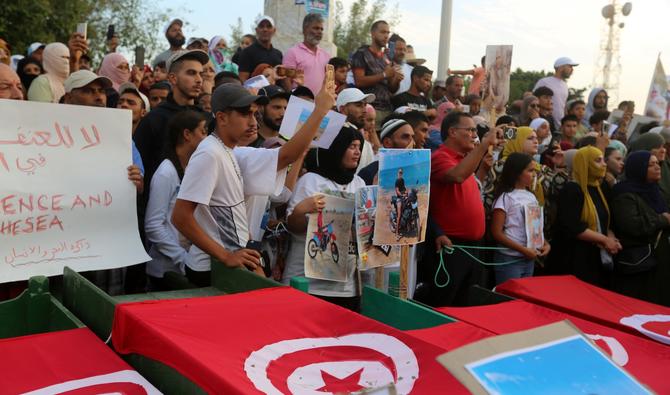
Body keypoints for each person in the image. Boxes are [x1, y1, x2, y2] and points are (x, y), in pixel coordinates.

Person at [172, 80, 336, 286]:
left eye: (254, 114)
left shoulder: (228, 151)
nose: (253, 122)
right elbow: (180, 217)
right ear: (221, 118)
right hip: (213, 268)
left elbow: (286, 162)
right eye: (244, 114)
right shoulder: (209, 153)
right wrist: (225, 256)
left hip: (229, 262)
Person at [418, 111, 498, 307]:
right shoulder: (440, 156)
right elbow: (457, 176)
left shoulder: (464, 159)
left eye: (475, 131)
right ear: (452, 132)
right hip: (451, 247)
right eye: (470, 130)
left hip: (472, 247)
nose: (474, 135)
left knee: (467, 305)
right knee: (445, 304)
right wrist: (484, 145)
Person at [284, 125, 365, 310]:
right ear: (336, 148)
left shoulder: (359, 183)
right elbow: (293, 225)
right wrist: (301, 211)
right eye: (351, 146)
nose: (357, 152)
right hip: (307, 283)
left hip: (347, 288)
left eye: (359, 147)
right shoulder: (311, 180)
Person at [145, 110, 208, 290]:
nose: (207, 138)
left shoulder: (192, 168)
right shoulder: (166, 172)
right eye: (203, 131)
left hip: (187, 266)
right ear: (187, 134)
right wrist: (181, 257)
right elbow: (153, 224)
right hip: (165, 272)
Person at [134, 49, 209, 196]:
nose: (199, 79)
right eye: (191, 73)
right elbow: (139, 170)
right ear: (173, 78)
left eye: (201, 74)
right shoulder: (153, 119)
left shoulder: (207, 119)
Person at [548, 146, 621, 287]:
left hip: (596, 256)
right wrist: (604, 240)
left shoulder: (600, 187)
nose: (604, 164)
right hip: (574, 258)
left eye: (603, 160)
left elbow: (605, 220)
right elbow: (573, 226)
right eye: (598, 161)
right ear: (585, 164)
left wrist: (611, 238)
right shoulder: (573, 189)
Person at [610, 151, 670, 303]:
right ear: (639, 168)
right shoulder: (624, 193)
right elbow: (632, 225)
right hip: (639, 263)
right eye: (651, 165)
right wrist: (662, 219)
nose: (657, 167)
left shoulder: (655, 190)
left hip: (660, 261)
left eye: (658, 164)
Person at [490, 152, 551, 285]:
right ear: (517, 172)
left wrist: (544, 243)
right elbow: (496, 233)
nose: (534, 174)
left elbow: (534, 228)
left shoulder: (531, 197)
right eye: (530, 170)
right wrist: (523, 250)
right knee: (509, 298)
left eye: (534, 170)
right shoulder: (505, 198)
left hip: (529, 259)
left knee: (524, 298)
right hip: (509, 259)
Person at [351, 20, 401, 124]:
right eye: (383, 32)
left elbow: (392, 89)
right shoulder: (362, 54)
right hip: (369, 109)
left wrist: (396, 79)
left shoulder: (387, 58)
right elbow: (359, 81)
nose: (386, 36)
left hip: (387, 109)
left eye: (388, 33)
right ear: (373, 33)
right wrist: (384, 75)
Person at [282, 13, 330, 95]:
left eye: (321, 29)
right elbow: (286, 80)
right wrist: (292, 100)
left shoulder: (326, 56)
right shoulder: (292, 52)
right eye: (316, 28)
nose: (319, 32)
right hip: (299, 103)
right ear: (305, 29)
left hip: (320, 104)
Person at [357, 118, 415, 185]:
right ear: (387, 143)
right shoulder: (369, 173)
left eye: (412, 137)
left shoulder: (417, 169)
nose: (412, 143)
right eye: (405, 137)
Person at [534, 57, 578, 129]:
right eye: (570, 66)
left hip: (559, 126)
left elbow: (563, 107)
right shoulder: (544, 81)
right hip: (545, 124)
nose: (572, 69)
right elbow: (533, 99)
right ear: (561, 67)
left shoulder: (565, 85)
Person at [238, 16, 283, 82]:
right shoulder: (247, 52)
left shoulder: (278, 54)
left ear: (274, 31)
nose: (265, 29)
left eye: (269, 26)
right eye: (261, 26)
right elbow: (242, 80)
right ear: (256, 30)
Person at [629, 133, 670, 206]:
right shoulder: (634, 169)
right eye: (658, 147)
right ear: (645, 148)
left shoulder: (666, 166)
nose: (663, 150)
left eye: (663, 146)